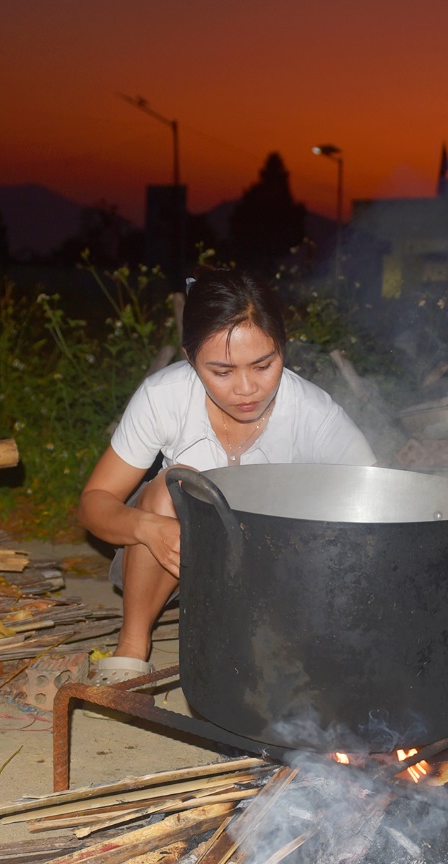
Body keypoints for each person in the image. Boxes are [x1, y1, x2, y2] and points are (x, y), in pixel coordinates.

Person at [77, 267, 376, 684]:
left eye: (263, 365)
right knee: (173, 484)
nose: (246, 388)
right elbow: (93, 503)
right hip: (168, 561)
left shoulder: (314, 414)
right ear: (190, 358)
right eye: (222, 371)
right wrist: (148, 529)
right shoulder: (164, 397)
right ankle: (132, 645)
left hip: (269, 563)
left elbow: (378, 503)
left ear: (283, 348)